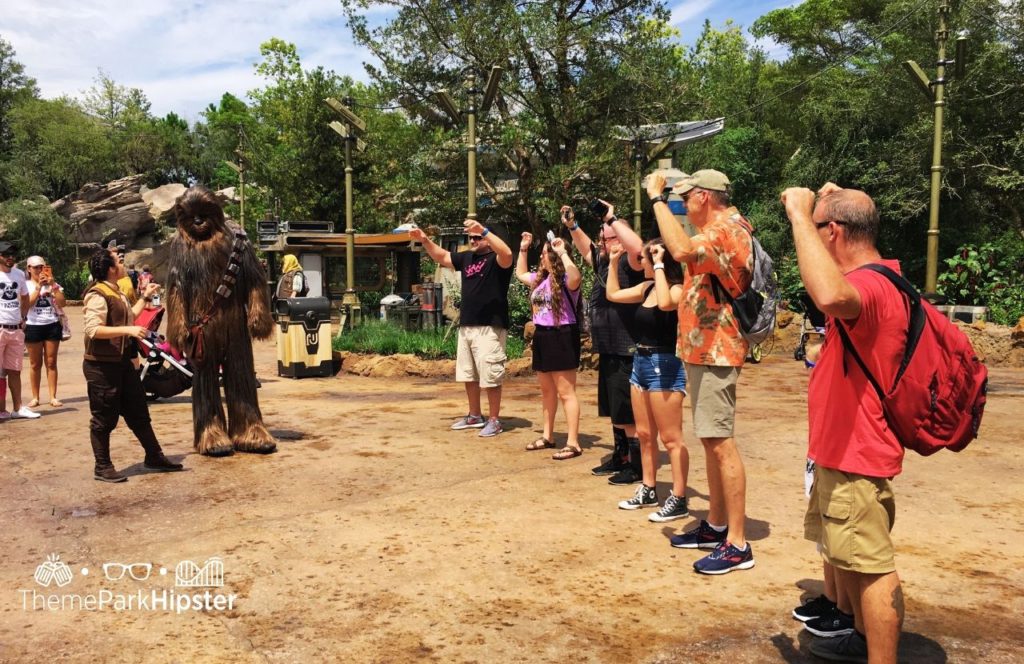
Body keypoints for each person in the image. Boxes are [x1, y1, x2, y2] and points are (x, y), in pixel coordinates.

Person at [781, 183, 906, 662]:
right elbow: (831, 282)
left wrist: (798, 212)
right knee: (849, 554)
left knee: (872, 565)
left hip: (858, 453)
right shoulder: (870, 278)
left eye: (817, 231)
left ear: (832, 232)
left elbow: (829, 294)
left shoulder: (870, 285)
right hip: (842, 449)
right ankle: (858, 634)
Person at [648, 169, 754, 575]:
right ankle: (717, 524)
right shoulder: (718, 228)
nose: (681, 204)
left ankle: (738, 544)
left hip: (717, 350)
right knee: (711, 440)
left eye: (684, 198)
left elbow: (679, 251)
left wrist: (657, 199)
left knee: (721, 442)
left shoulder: (725, 229)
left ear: (705, 197)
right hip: (703, 349)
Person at [606, 239, 691, 521]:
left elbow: (667, 304)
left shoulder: (677, 289)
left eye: (643, 258)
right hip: (641, 362)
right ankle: (649, 487)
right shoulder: (647, 288)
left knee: (671, 438)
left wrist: (657, 263)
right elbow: (613, 294)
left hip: (664, 364)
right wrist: (613, 262)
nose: (640, 262)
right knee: (644, 434)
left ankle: (678, 498)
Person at [562, 202, 646, 484]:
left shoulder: (632, 261)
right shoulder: (604, 260)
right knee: (614, 407)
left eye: (609, 238)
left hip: (626, 346)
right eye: (603, 238)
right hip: (607, 345)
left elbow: (638, 249)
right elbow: (586, 248)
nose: (603, 243)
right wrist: (573, 226)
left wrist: (613, 219)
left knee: (628, 410)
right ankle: (620, 455)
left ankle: (637, 466)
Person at [82, 247, 183, 482]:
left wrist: (145, 298)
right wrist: (129, 330)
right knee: (103, 418)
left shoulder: (115, 291)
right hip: (102, 367)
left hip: (122, 364)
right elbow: (93, 329)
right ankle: (102, 466)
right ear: (109, 268)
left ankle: (154, 456)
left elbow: (128, 317)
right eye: (118, 260)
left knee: (138, 411)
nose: (123, 263)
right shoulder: (97, 294)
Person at [410, 220, 514, 437]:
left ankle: (494, 420)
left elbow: (507, 253)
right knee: (469, 373)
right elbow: (442, 256)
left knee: (490, 375)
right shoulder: (467, 257)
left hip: (489, 326)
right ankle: (475, 415)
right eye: (472, 237)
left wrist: (484, 230)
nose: (474, 240)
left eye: (479, 237)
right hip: (467, 324)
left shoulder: (497, 259)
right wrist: (425, 240)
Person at [515, 231, 583, 459]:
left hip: (562, 334)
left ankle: (573, 442)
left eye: (545, 254)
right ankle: (548, 435)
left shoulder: (566, 281)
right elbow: (520, 273)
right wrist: (524, 247)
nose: (542, 258)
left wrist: (562, 251)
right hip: (542, 335)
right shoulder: (540, 280)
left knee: (566, 392)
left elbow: (576, 275)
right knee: (547, 391)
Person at [0, 241, 41, 420]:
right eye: (6, 254)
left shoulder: (18, 274)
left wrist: (23, 317)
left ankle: (17, 408)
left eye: (13, 255)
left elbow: (24, 297)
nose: (10, 258)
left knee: (14, 370)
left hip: (16, 328)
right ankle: (1, 410)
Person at [24, 256, 66, 408]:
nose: (39, 270)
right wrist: (38, 288)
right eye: (35, 267)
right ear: (29, 268)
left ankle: (53, 396)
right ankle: (35, 397)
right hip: (33, 325)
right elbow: (27, 304)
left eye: (42, 267)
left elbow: (62, 303)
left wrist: (53, 284)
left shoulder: (52, 284)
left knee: (51, 362)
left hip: (51, 324)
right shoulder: (25, 285)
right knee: (35, 364)